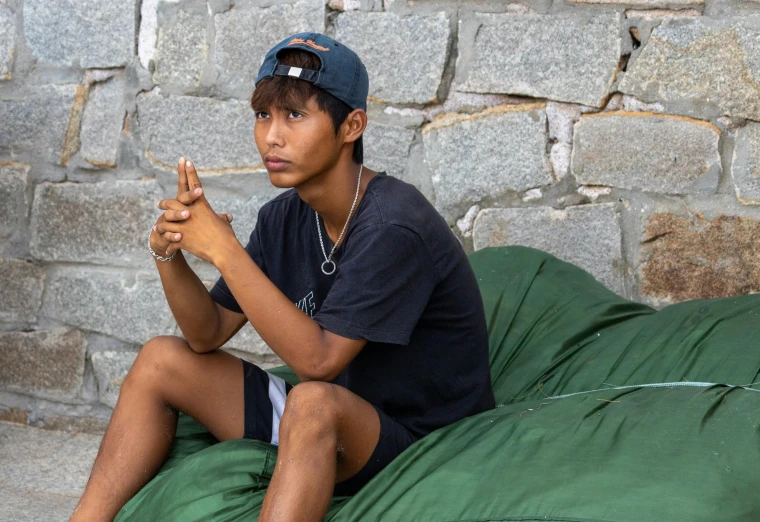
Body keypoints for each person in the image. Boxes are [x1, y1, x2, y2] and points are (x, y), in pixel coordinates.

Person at [69, 32, 495, 522]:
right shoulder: (283, 217)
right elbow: (205, 333)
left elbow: (318, 362)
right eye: (263, 115)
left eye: (295, 115)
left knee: (312, 403)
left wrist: (226, 251)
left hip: (421, 443)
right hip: (329, 419)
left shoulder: (393, 225)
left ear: (351, 125)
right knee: (161, 359)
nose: (272, 136)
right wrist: (170, 254)